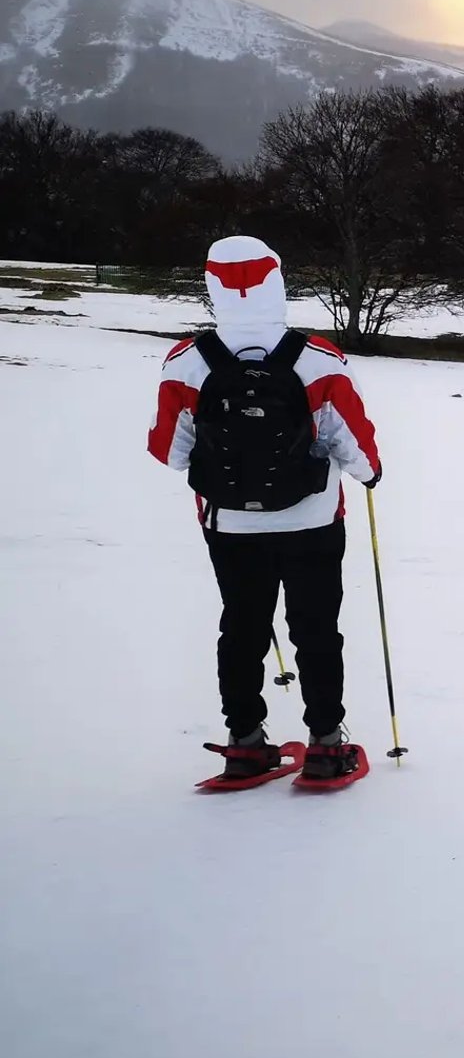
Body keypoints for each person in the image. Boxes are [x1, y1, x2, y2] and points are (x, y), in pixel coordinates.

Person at [148, 235, 382, 782]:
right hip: (314, 521)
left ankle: (246, 742)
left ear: (212, 287)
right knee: (317, 628)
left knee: (243, 626)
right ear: (278, 281)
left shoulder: (187, 364)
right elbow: (354, 443)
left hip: (229, 524)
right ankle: (326, 744)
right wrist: (370, 474)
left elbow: (170, 453)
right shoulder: (318, 359)